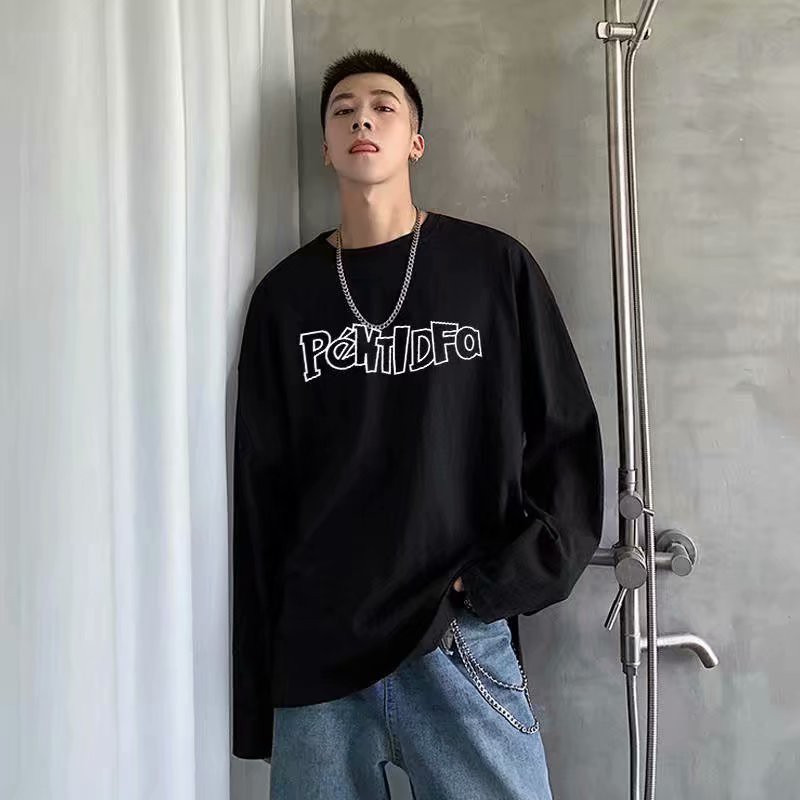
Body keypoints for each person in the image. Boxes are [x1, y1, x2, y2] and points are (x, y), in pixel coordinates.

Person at [231, 48, 605, 799]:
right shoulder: (285, 299)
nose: (361, 119)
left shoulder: (492, 269)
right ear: (327, 146)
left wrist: (495, 586)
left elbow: (565, 437)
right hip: (319, 655)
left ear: (415, 141)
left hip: (455, 639)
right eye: (342, 111)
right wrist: (257, 698)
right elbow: (259, 499)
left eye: (383, 106)